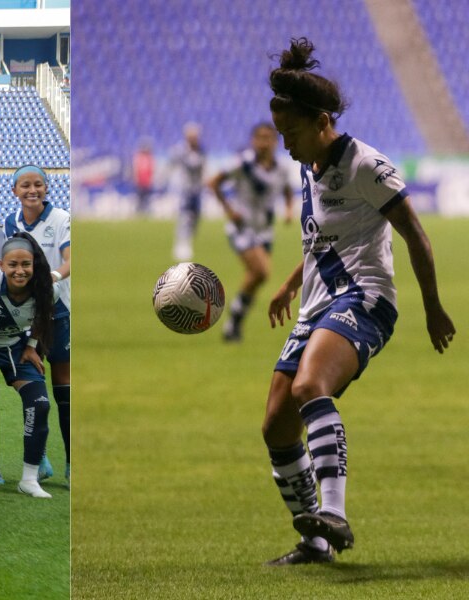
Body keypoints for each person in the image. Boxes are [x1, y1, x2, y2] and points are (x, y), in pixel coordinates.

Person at [260, 38, 455, 566]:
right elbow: (326, 238)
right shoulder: (311, 163)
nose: (287, 147)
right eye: (281, 136)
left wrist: (432, 307)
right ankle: (314, 542)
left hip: (365, 298)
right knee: (276, 425)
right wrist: (291, 281)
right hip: (318, 304)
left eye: (292, 134)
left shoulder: (367, 165)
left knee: (309, 387)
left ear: (323, 121)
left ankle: (335, 512)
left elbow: (415, 235)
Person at [0, 233, 57, 499]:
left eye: (25, 264)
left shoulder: (46, 288)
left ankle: (29, 479)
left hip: (16, 349)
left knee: (40, 403)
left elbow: (43, 316)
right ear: (1, 264)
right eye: (13, 265)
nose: (20, 271)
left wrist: (31, 346)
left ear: (34, 265)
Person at [0, 165, 71, 485]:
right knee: (32, 382)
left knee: (63, 385)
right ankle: (38, 453)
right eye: (25, 185)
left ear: (46, 188)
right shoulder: (10, 223)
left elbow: (71, 259)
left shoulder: (61, 219)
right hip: (25, 315)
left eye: (38, 184)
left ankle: (72, 463)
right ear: (14, 190)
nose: (33, 190)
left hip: (59, 310)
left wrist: (52, 277)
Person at [210, 123, 295, 343]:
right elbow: (213, 182)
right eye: (260, 138)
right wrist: (229, 210)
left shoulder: (282, 167)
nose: (264, 143)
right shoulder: (243, 163)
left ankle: (234, 323)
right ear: (252, 140)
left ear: (276, 141)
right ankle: (234, 321)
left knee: (256, 278)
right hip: (242, 227)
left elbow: (287, 189)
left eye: (269, 138)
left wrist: (288, 209)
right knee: (262, 271)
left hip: (265, 231)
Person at [169, 122, 206, 261]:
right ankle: (181, 244)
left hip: (197, 189)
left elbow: (202, 167)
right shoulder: (181, 150)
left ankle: (189, 241)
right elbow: (172, 164)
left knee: (196, 218)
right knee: (184, 217)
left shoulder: (201, 150)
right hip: (185, 189)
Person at [132, 138, 154, 216]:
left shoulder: (149, 157)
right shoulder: (138, 157)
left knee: (147, 198)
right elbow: (136, 169)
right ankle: (139, 211)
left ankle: (146, 211)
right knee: (139, 198)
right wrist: (136, 179)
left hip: (147, 182)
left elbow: (152, 170)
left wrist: (151, 180)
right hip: (140, 182)